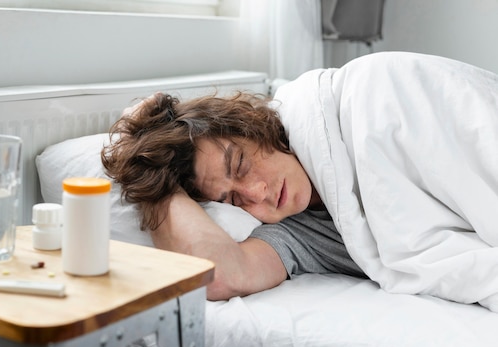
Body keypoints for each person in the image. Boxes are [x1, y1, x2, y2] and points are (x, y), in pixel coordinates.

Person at [101, 51, 498, 311]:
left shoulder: (364, 94)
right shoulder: (301, 232)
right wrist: (153, 183)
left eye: (240, 164)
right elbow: (221, 275)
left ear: (252, 127)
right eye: (235, 201)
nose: (259, 195)